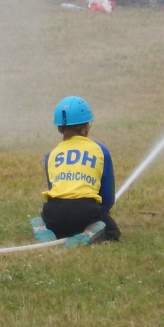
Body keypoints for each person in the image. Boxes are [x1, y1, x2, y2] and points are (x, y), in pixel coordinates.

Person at [30, 96, 120, 244]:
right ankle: (90, 234)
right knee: (112, 232)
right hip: (86, 211)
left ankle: (44, 228)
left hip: (53, 212)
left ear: (59, 128)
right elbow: (107, 196)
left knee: (58, 226)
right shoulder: (100, 151)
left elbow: (54, 188)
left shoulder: (51, 155)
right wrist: (102, 213)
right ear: (87, 126)